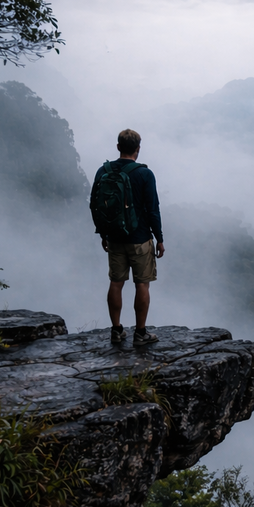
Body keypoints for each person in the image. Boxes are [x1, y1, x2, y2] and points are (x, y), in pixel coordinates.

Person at [91, 128, 165, 345]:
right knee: (142, 284)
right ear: (138, 149)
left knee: (116, 282)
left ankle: (116, 330)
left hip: (114, 237)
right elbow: (153, 209)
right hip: (140, 238)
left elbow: (95, 204)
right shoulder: (144, 174)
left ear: (118, 147)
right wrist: (159, 238)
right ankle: (140, 333)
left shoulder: (103, 171)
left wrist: (103, 233)